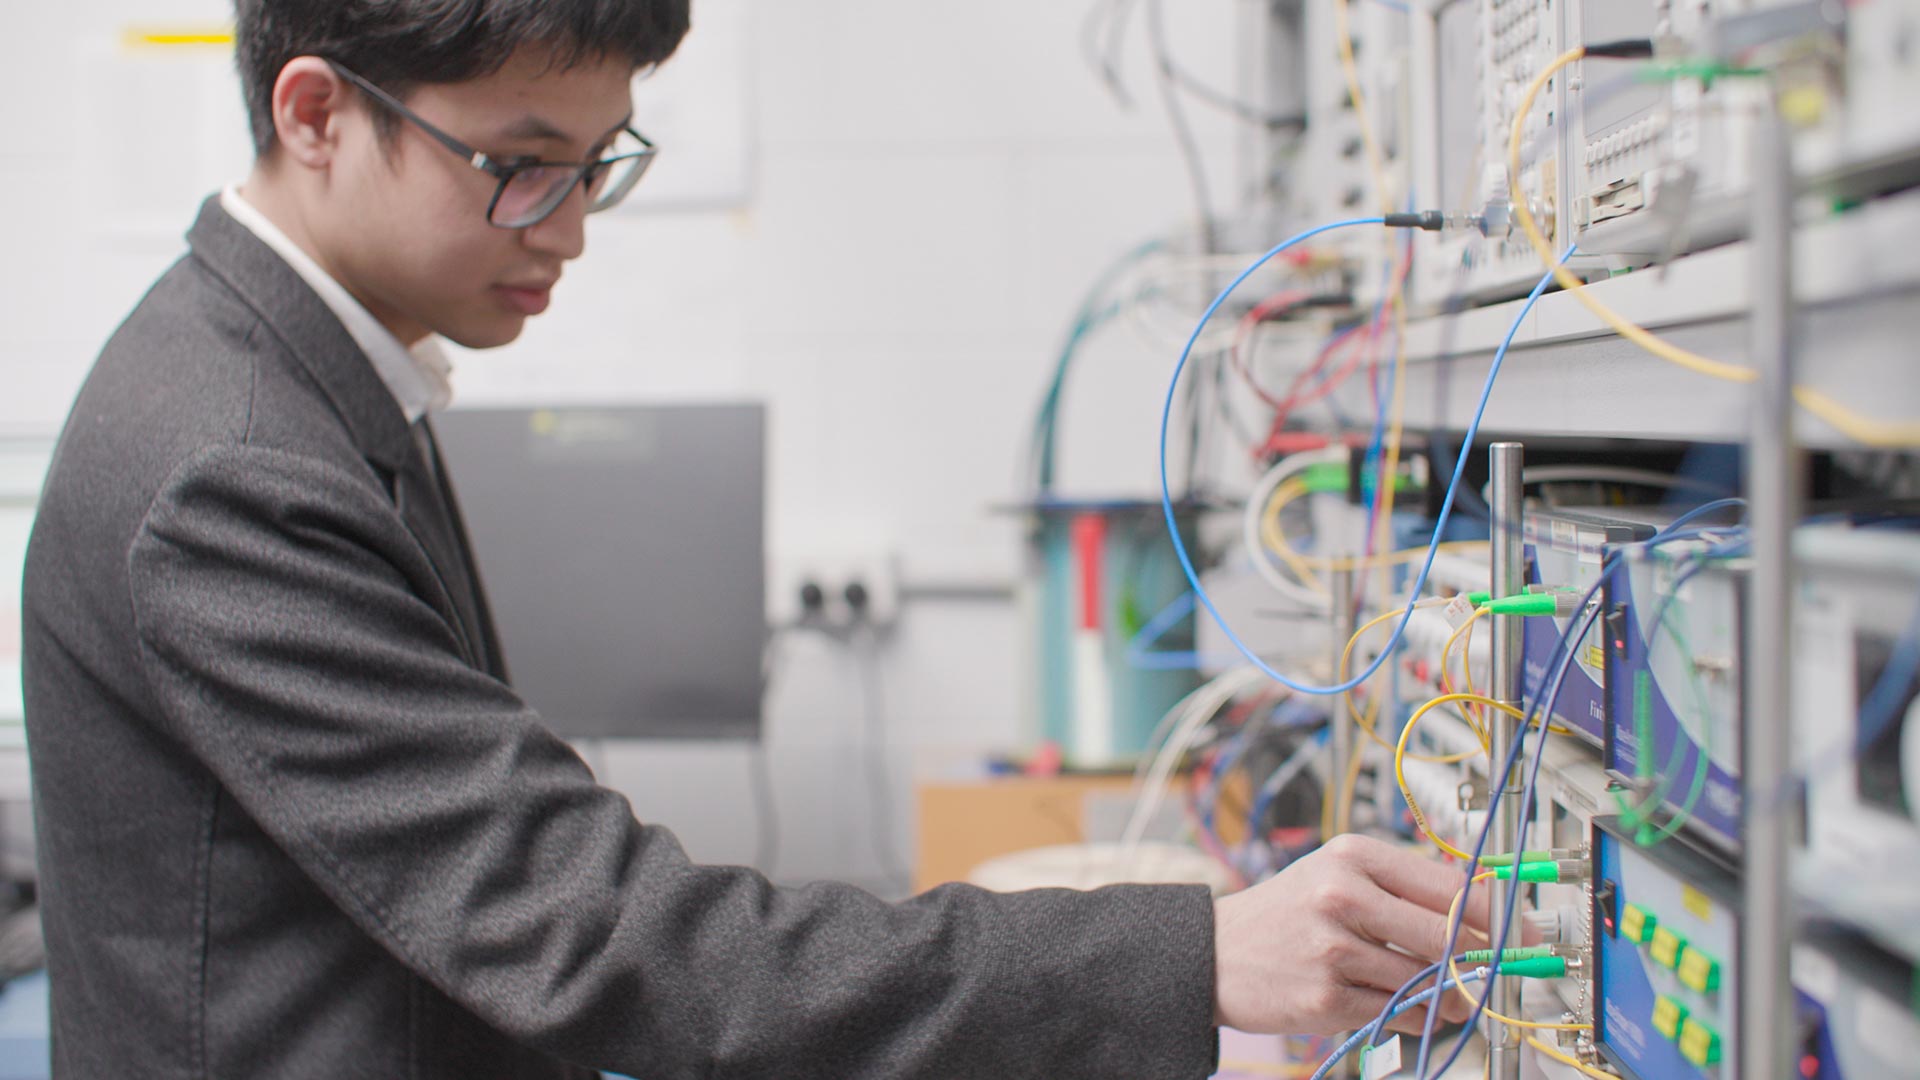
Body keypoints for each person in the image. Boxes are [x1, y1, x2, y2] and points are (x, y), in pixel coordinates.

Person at [21, 1, 1488, 1076]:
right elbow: (591, 938)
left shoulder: (297, 376)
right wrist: (1196, 955)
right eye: (523, 165)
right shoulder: (225, 466)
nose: (572, 227)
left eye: (601, 161)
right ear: (316, 115)